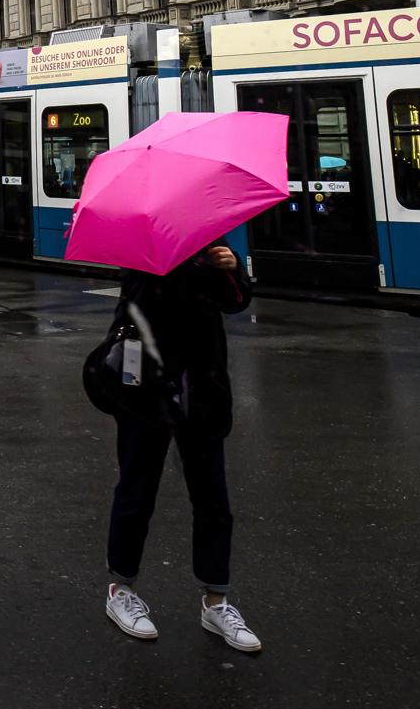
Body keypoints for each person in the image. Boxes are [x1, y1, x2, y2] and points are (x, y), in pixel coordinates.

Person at [102, 241, 262, 653]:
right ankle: (121, 590)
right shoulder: (142, 247)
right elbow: (138, 305)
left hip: (202, 390)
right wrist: (179, 265)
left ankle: (216, 600)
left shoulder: (211, 244)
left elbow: (236, 302)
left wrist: (228, 269)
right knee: (137, 490)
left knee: (213, 499)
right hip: (146, 388)